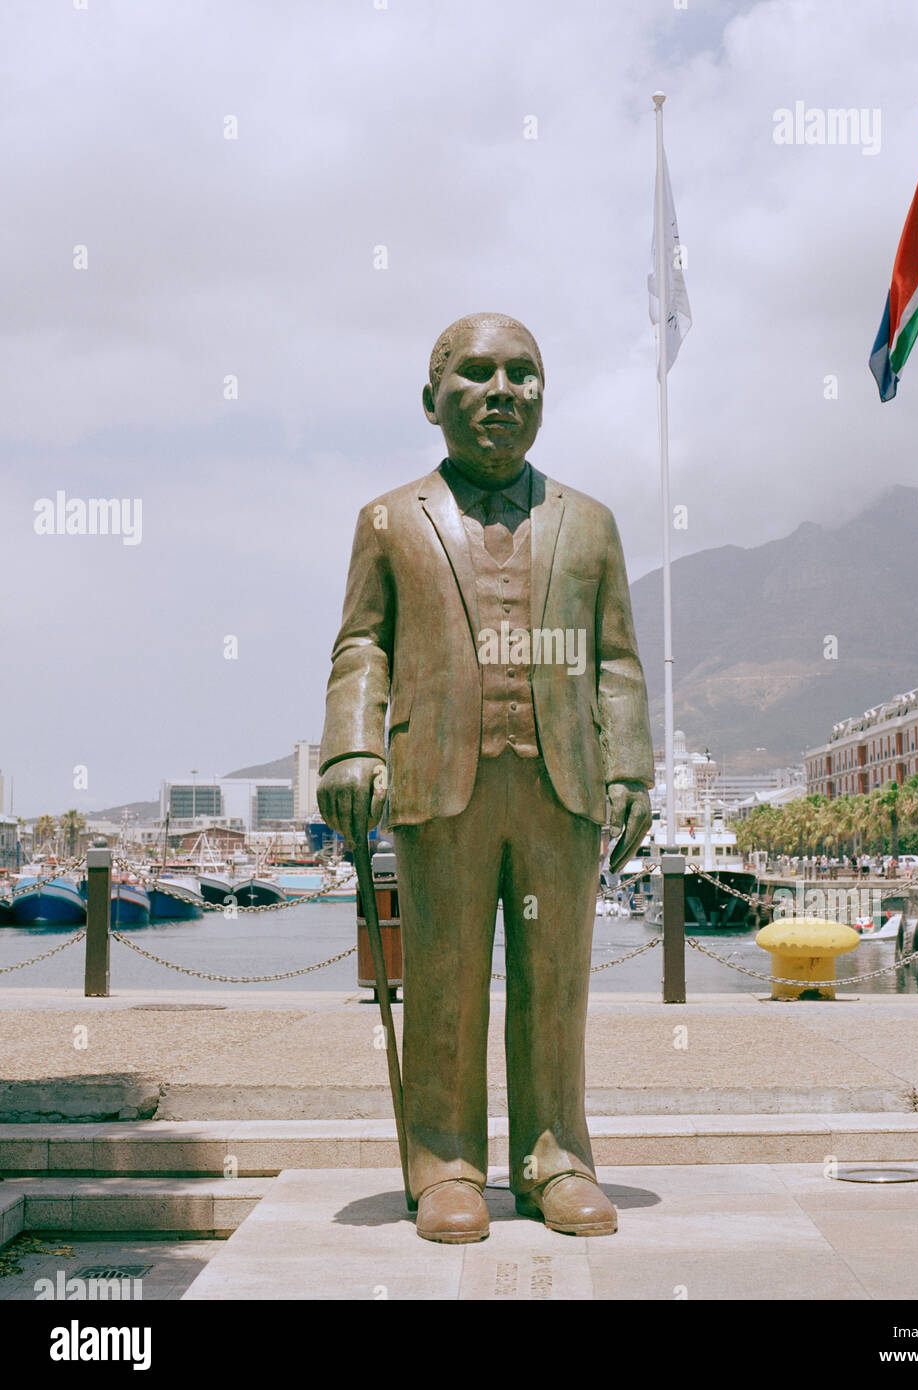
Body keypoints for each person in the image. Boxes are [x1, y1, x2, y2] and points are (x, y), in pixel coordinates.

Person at [317, 313, 654, 1244]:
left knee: (557, 977)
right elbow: (361, 645)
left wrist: (630, 765)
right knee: (444, 974)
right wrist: (354, 746)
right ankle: (447, 1164)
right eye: (476, 373)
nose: (502, 391)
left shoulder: (590, 523)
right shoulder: (389, 520)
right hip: (439, 779)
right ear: (434, 398)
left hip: (564, 788)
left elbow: (616, 659)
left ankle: (557, 1158)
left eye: (523, 374)